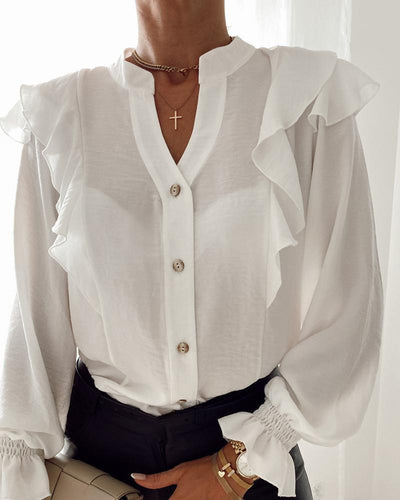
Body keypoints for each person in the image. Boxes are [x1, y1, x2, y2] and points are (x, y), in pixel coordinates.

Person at [0, 0, 384, 499]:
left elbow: (350, 310)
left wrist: (237, 465)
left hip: (253, 469)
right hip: (96, 474)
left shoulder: (306, 99)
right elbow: (35, 330)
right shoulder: (58, 115)